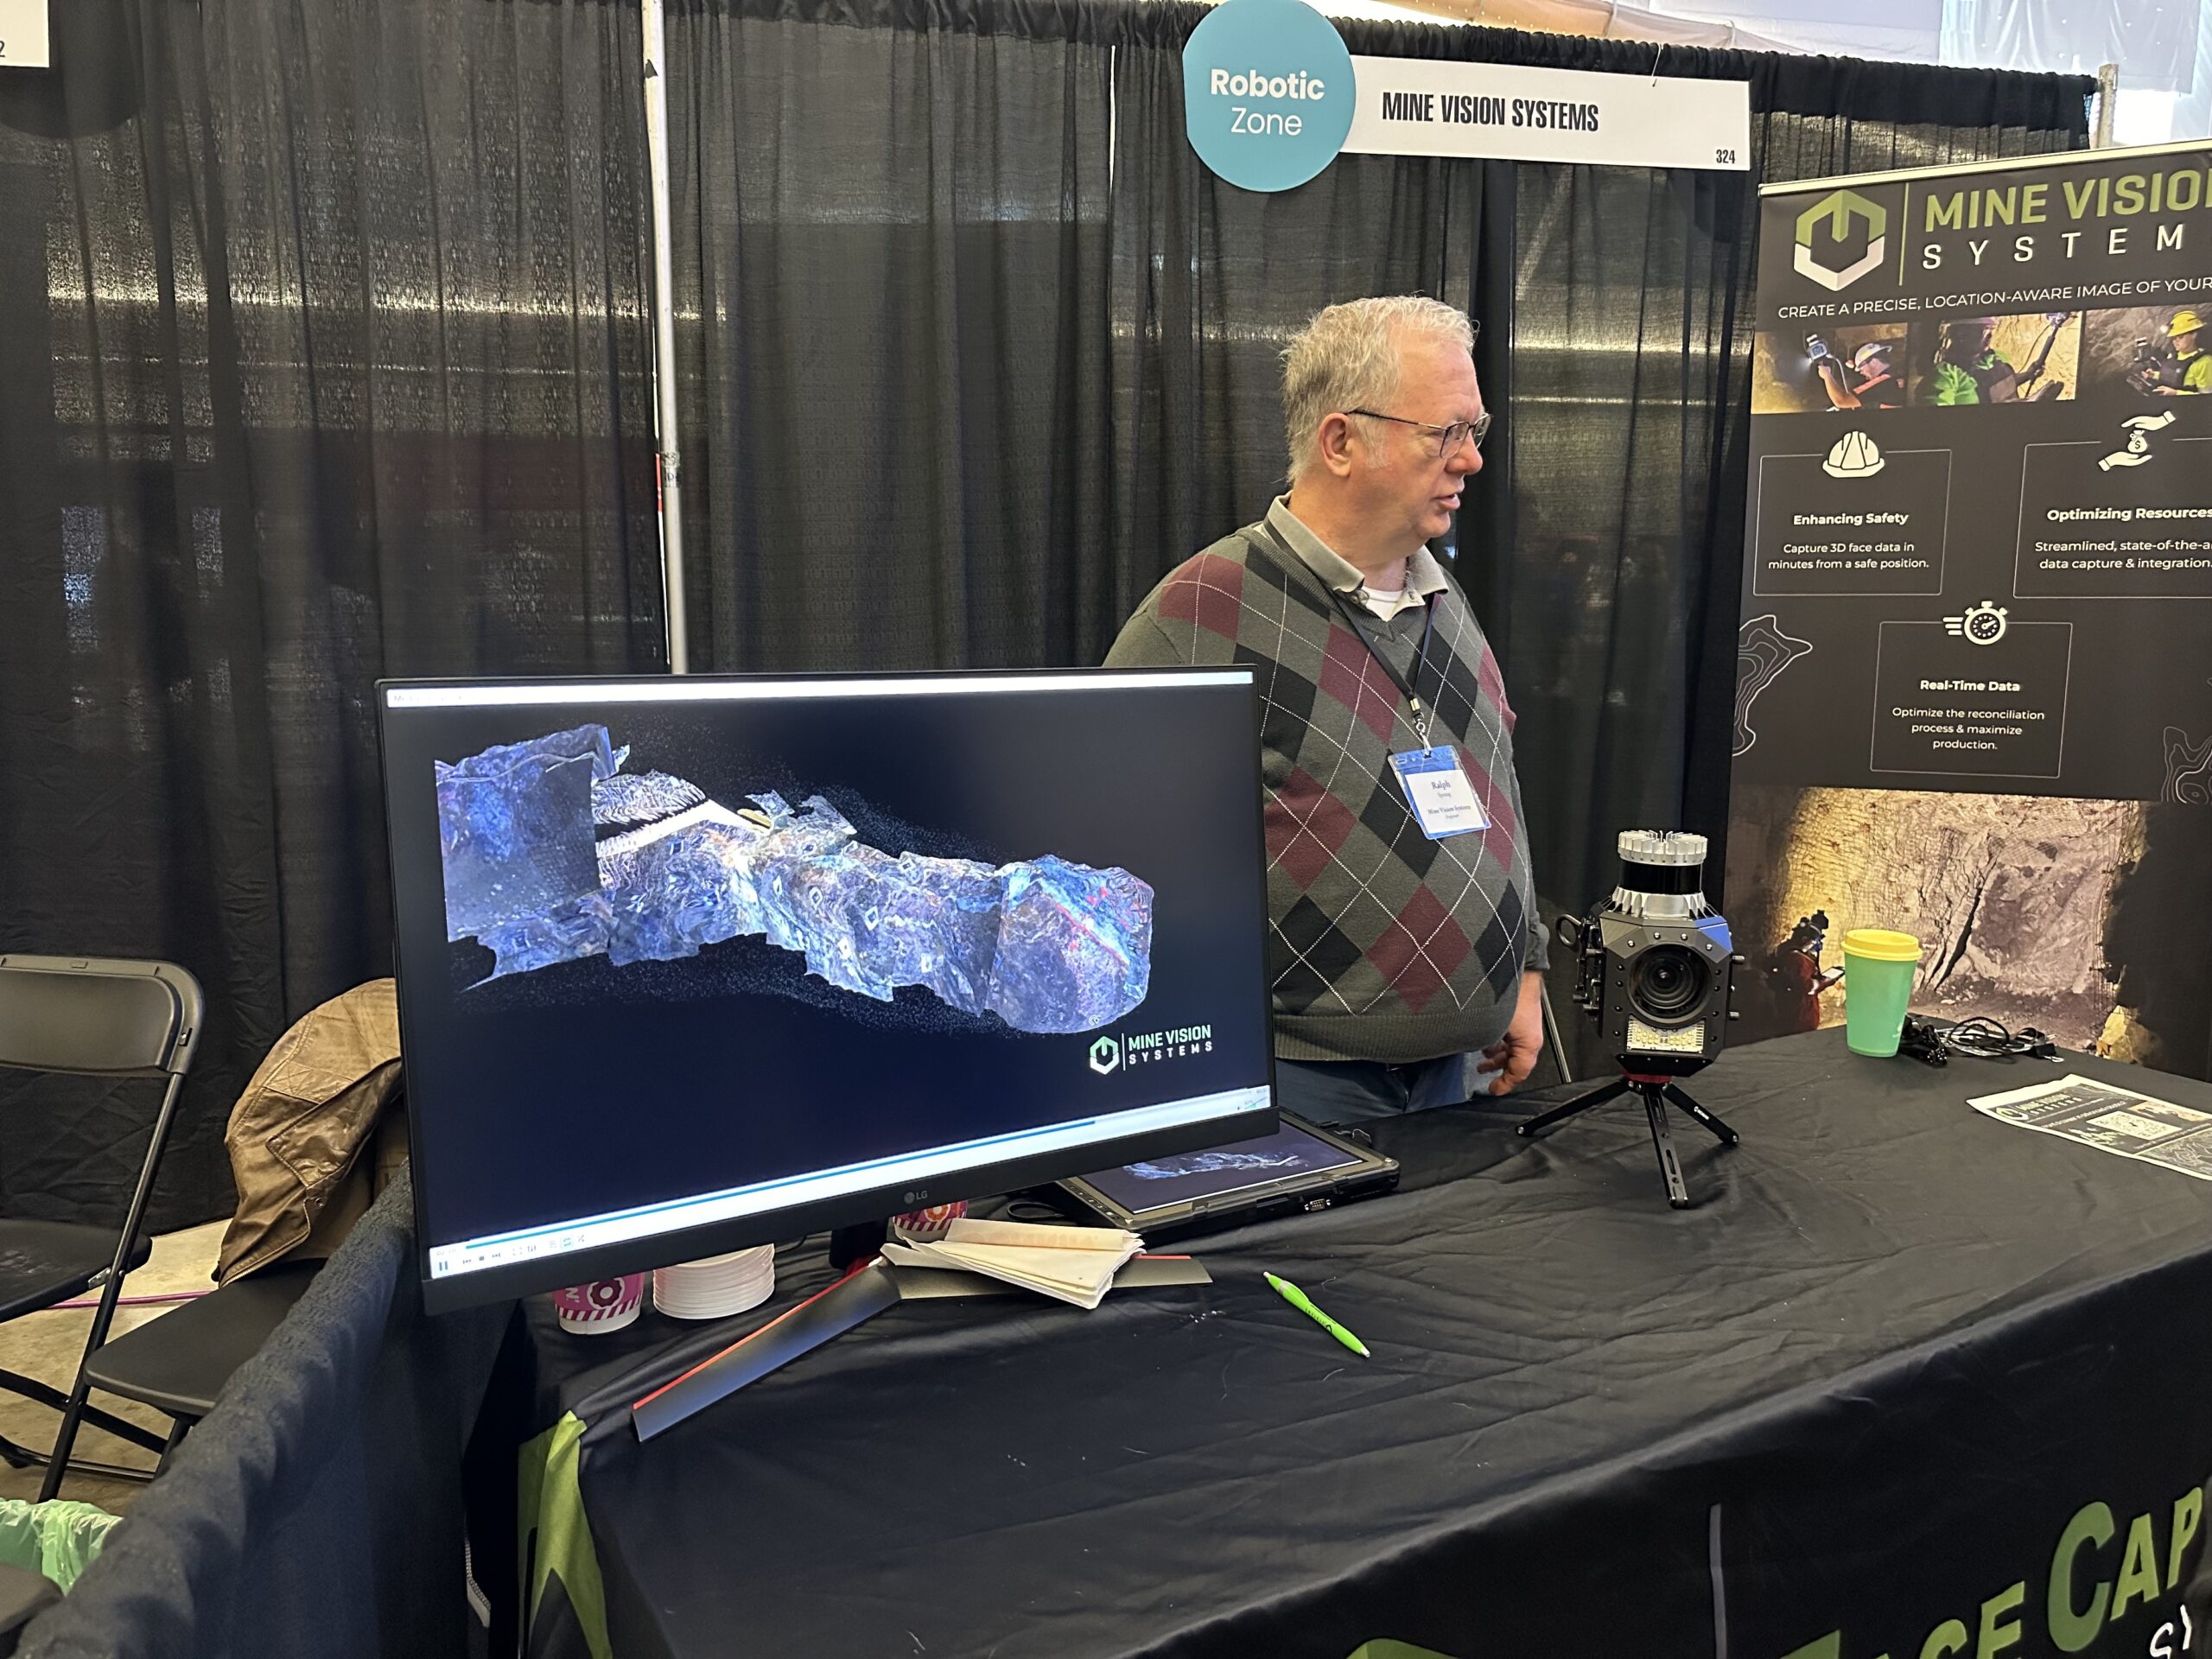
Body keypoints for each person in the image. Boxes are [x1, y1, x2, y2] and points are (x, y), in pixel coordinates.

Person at [1104, 296, 1547, 1128]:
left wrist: (1521, 970)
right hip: (1293, 1083)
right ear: (1342, 441)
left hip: (1459, 1073)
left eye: (1474, 432)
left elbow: (1497, 791)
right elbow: (1105, 849)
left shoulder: (1445, 601)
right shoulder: (1201, 613)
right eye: (1446, 433)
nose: (1472, 462)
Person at [1928, 318, 2019, 405]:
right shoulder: (1945, 375)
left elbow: (2001, 385)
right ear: (1962, 335)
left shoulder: (1998, 357)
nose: (1990, 335)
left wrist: (2028, 374)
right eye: (1985, 329)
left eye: (1991, 329)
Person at [1813, 340, 1903, 410]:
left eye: (1861, 368)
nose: (1861, 372)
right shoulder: (1894, 376)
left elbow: (1841, 401)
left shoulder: (1885, 382)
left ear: (1874, 362)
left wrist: (1827, 376)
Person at [2151, 309, 2209, 396]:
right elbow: (2173, 375)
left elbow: (2207, 397)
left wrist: (2176, 393)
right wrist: (2154, 375)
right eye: (2174, 338)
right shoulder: (2174, 355)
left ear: (2193, 335)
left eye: (2180, 337)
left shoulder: (2204, 362)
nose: (2176, 342)